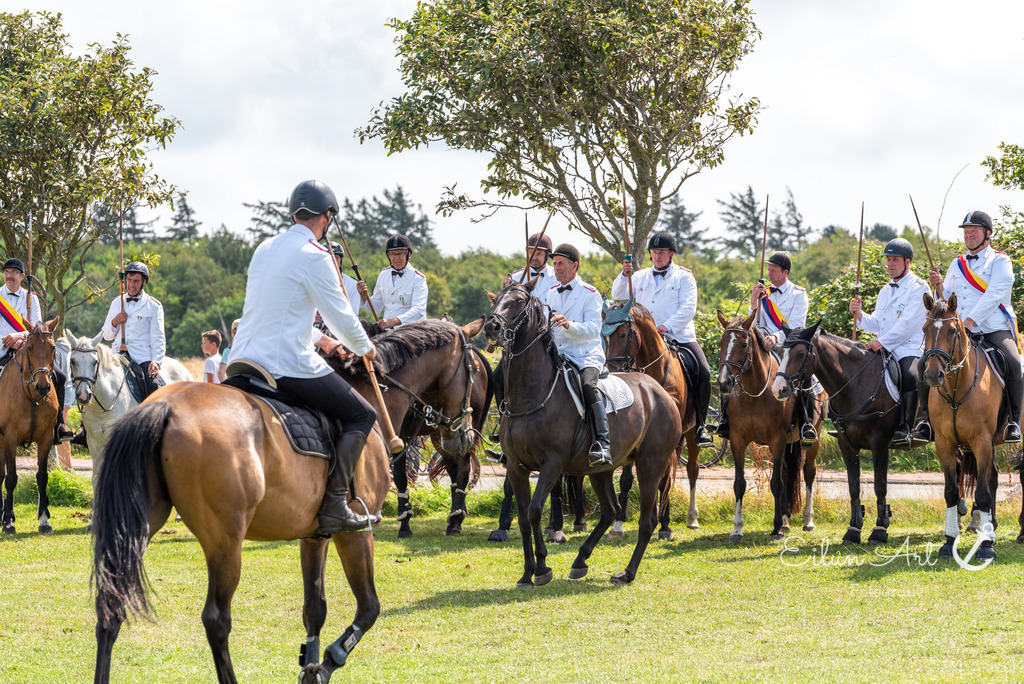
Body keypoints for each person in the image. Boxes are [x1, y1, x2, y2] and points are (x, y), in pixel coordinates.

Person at [229, 179, 378, 534]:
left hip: (243, 358)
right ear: (327, 217)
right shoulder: (316, 256)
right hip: (285, 364)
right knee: (362, 414)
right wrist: (366, 348)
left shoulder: (264, 248)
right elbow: (341, 318)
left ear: (295, 212)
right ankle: (336, 506)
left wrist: (320, 341)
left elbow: (271, 312)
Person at [919, 210, 1022, 443]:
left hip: (993, 328)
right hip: (958, 332)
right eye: (966, 232)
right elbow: (947, 301)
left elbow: (995, 294)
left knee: (1014, 363)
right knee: (924, 362)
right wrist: (938, 287)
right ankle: (926, 422)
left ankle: (1013, 423)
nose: (969, 235)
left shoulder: (1000, 261)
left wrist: (971, 321)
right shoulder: (957, 264)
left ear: (987, 233)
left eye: (974, 231)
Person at [613, 232, 714, 447]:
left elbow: (688, 308)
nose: (657, 256)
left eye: (661, 253)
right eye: (654, 252)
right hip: (645, 341)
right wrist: (624, 275)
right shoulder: (638, 276)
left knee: (704, 371)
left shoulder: (684, 277)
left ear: (671, 254)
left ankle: (701, 426)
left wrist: (666, 327)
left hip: (678, 336)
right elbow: (617, 293)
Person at [717, 251, 814, 444]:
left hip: (785, 345)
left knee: (806, 376)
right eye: (768, 269)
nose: (770, 274)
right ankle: (725, 418)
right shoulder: (763, 292)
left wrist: (775, 337)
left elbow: (796, 325)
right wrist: (754, 301)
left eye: (774, 270)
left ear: (785, 272)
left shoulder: (798, 295)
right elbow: (752, 322)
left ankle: (806, 423)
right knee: (734, 366)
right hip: (760, 341)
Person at [849, 238, 930, 446]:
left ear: (907, 261)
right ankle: (855, 423)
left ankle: (905, 427)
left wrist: (882, 342)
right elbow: (877, 322)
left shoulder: (919, 288)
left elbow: (908, 324)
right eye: (888, 260)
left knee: (911, 376)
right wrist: (859, 315)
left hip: (909, 347)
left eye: (895, 260)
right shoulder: (885, 290)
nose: (890, 264)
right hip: (885, 346)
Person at [547, 243, 611, 465]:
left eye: (561, 263)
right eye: (554, 264)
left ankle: (603, 443)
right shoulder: (551, 292)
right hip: (558, 355)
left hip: (586, 356)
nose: (556, 268)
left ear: (574, 265)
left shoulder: (590, 294)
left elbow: (595, 329)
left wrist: (569, 325)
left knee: (587, 386)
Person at [0, 257, 73, 442]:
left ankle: (58, 425)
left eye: (14, 273)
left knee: (60, 377)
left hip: (28, 351)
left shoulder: (31, 298)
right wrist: (6, 341)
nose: (10, 276)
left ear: (22, 276)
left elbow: (38, 329)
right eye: (7, 272)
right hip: (2, 349)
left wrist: (20, 337)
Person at [100, 261, 166, 397]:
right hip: (117, 356)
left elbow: (158, 337)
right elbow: (106, 336)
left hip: (141, 357)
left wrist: (156, 361)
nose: (131, 285)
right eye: (129, 280)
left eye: (136, 281)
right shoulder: (117, 303)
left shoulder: (153, 306)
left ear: (144, 282)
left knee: (152, 384)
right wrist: (114, 322)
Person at [356, 234, 428, 330]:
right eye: (393, 254)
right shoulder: (383, 274)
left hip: (412, 332)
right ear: (388, 256)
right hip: (388, 333)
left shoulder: (418, 278)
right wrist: (363, 296)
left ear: (408, 255)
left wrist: (393, 321)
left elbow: (419, 310)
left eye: (400, 254)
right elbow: (376, 307)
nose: (396, 258)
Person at [217, 318, 241, 383]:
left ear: (232, 331)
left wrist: (229, 386)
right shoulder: (251, 348)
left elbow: (220, 373)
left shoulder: (228, 350)